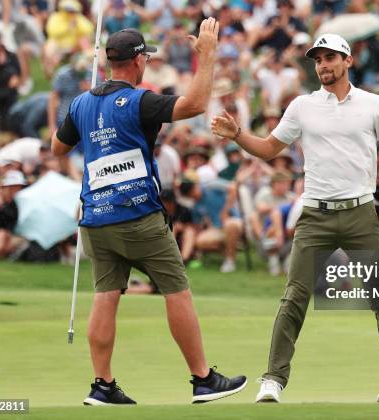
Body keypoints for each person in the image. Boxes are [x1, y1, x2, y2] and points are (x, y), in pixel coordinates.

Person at [212, 33, 379, 403]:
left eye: (330, 57)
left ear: (348, 61)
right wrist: (239, 135)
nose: (323, 64)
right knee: (294, 297)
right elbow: (270, 150)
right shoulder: (302, 106)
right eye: (318, 59)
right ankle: (273, 378)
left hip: (360, 213)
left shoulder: (373, 104)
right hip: (315, 215)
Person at [51, 23, 246, 406]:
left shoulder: (81, 103)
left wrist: (86, 115)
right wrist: (206, 56)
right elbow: (194, 105)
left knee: (106, 296)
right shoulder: (141, 100)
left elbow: (58, 148)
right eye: (147, 58)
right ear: (139, 61)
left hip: (96, 216)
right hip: (138, 214)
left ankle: (102, 385)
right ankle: (203, 379)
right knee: (177, 289)